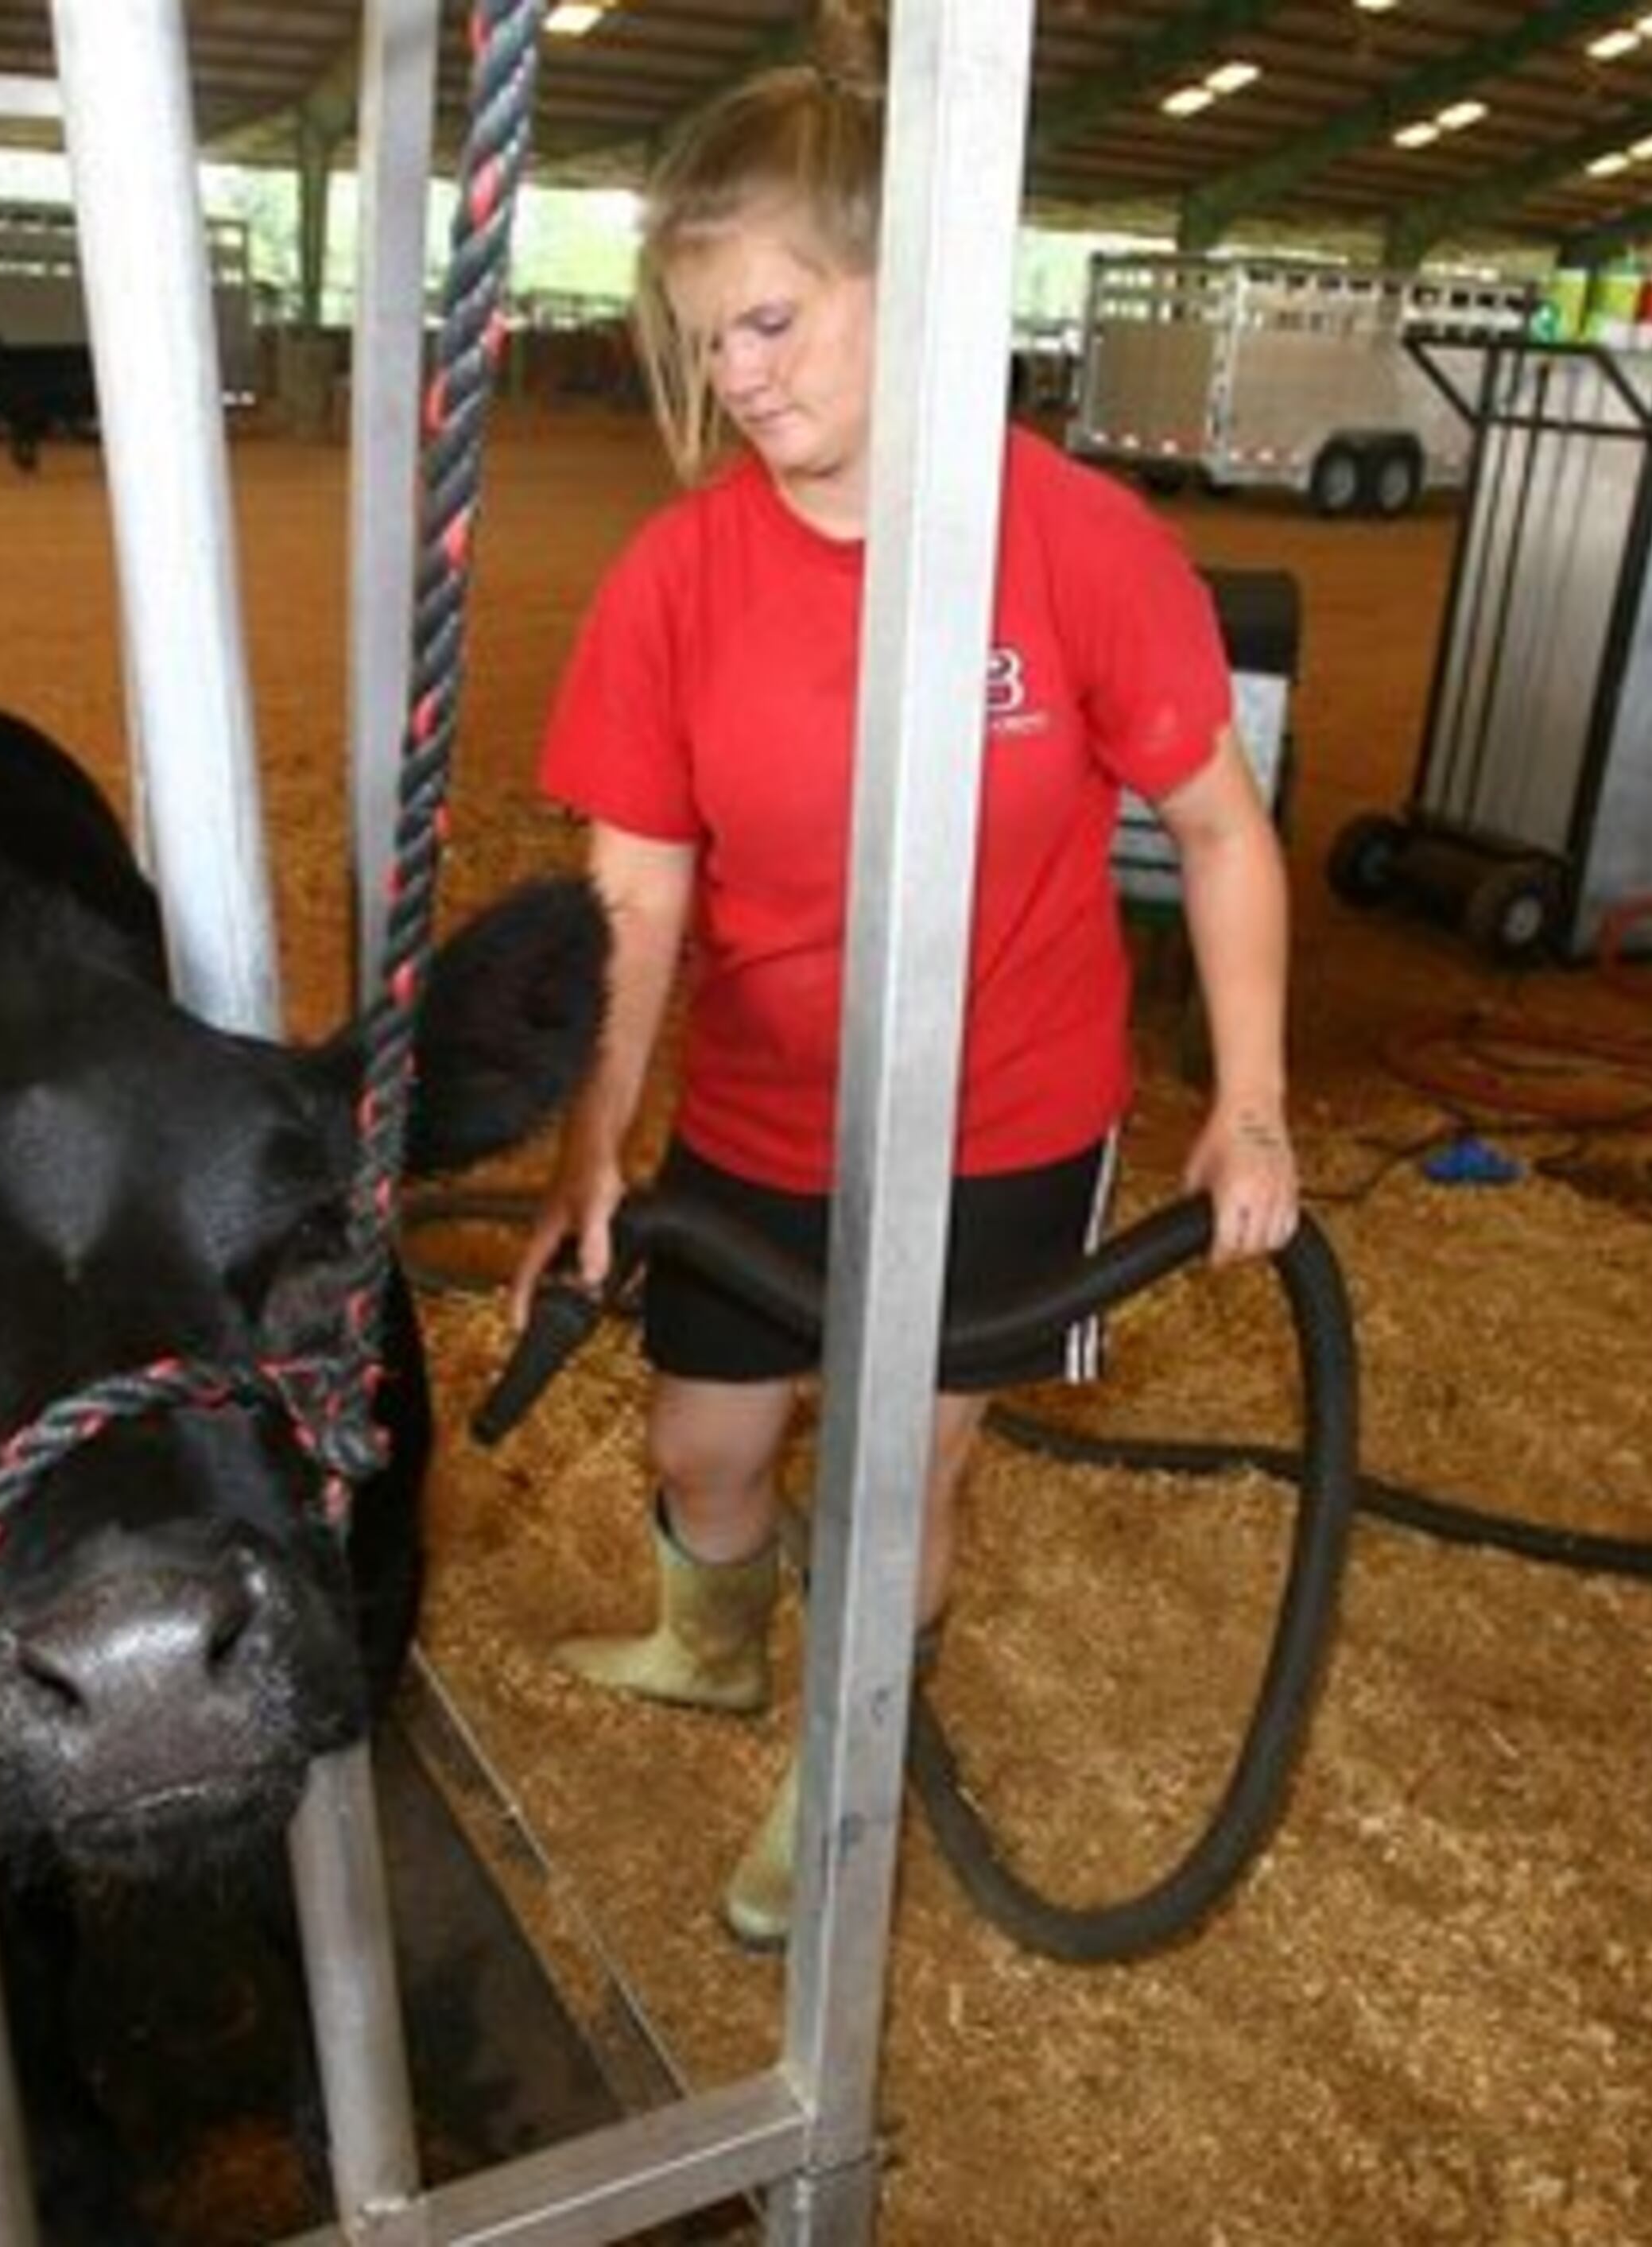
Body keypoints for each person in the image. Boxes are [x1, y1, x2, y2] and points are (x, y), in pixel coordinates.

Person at [503, 61, 1301, 1951]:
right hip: (767, 1117)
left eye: (772, 319)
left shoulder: (1083, 544)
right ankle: (712, 1647)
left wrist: (1248, 1096)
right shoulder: (676, 577)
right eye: (709, 341)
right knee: (704, 1447)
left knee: (898, 1472)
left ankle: (839, 1756)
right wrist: (590, 1141)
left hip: (1008, 1118)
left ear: (911, 282)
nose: (739, 379)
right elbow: (632, 892)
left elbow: (1219, 829)